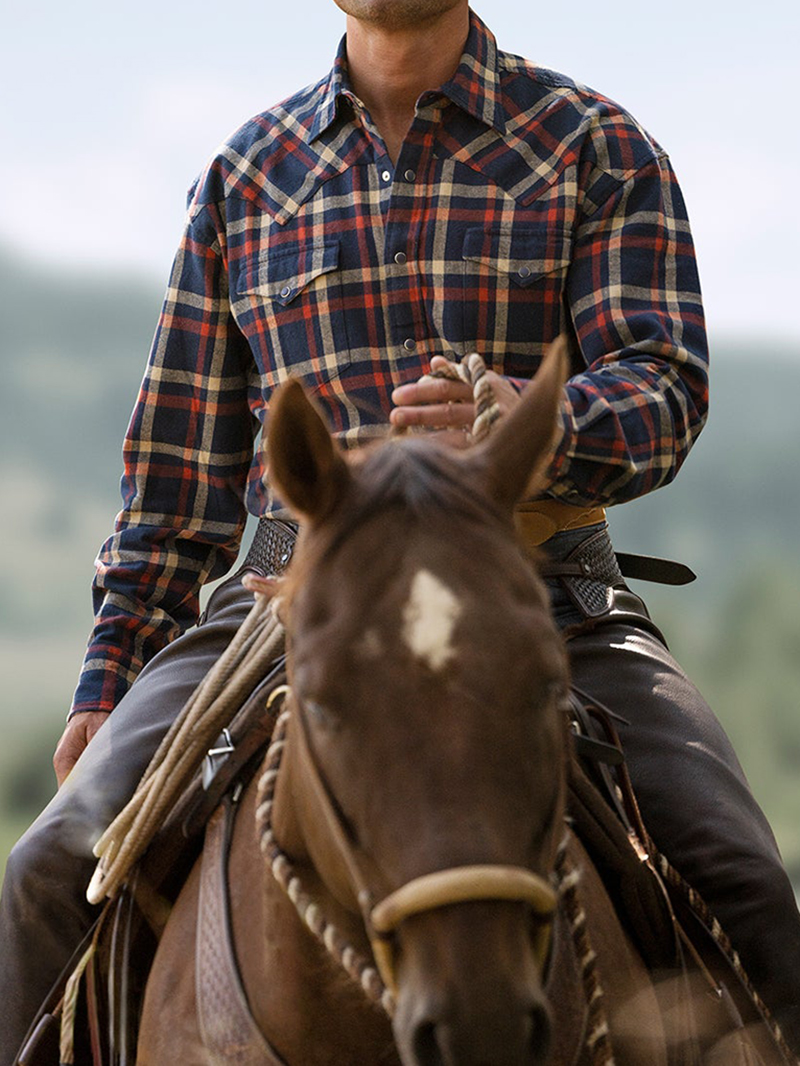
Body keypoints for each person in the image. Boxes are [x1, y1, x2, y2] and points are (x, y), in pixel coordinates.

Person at [2, 1, 799, 1060]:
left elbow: (664, 388)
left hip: (541, 593)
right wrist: (108, 684)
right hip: (282, 605)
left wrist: (529, 421)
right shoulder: (244, 179)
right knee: (45, 877)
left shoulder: (596, 147)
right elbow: (173, 482)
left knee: (741, 879)